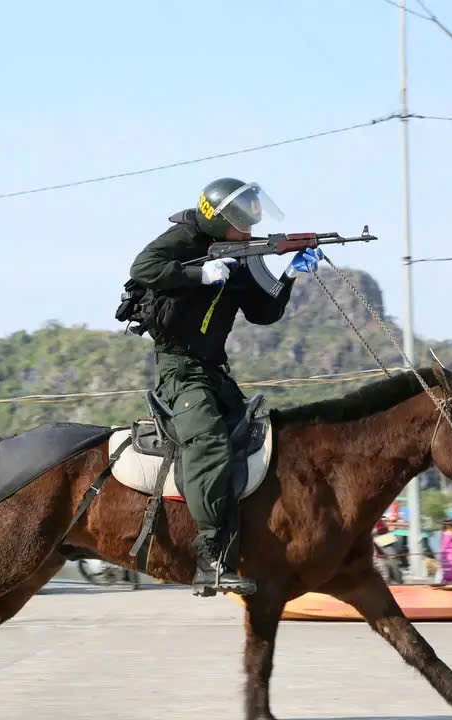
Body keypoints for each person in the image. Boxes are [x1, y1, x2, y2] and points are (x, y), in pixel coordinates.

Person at [127, 177, 322, 596]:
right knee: (210, 442)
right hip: (179, 371)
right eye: (241, 220)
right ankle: (210, 557)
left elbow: (262, 313)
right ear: (217, 219)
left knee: (263, 434)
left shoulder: (242, 256)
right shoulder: (184, 237)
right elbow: (142, 268)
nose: (250, 226)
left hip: (215, 371)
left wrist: (288, 272)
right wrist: (199, 273)